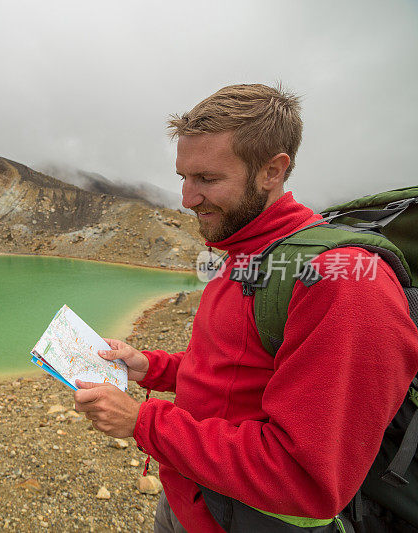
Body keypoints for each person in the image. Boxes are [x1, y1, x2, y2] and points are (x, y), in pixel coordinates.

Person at [73, 84, 418, 532]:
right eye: (183, 177)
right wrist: (149, 368)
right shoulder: (245, 251)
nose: (187, 198)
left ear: (272, 171)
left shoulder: (344, 282)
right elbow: (237, 370)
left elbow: (305, 480)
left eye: (208, 179)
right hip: (189, 501)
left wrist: (143, 422)